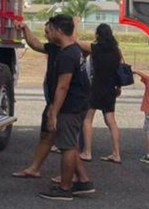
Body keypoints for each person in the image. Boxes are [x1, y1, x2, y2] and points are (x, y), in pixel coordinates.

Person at [12, 15, 95, 199]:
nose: (46, 34)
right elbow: (35, 44)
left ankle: (65, 189)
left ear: (58, 30)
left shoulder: (67, 54)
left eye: (49, 31)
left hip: (69, 106)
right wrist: (25, 29)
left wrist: (53, 113)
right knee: (70, 142)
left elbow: (63, 86)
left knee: (67, 147)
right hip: (77, 104)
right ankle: (83, 181)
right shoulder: (72, 50)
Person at [79, 23, 124, 163]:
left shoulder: (95, 48)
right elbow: (121, 68)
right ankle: (116, 153)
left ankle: (87, 152)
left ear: (98, 34)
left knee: (87, 119)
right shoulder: (117, 51)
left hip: (96, 86)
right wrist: (119, 87)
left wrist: (75, 25)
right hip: (111, 88)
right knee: (111, 121)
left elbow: (75, 42)